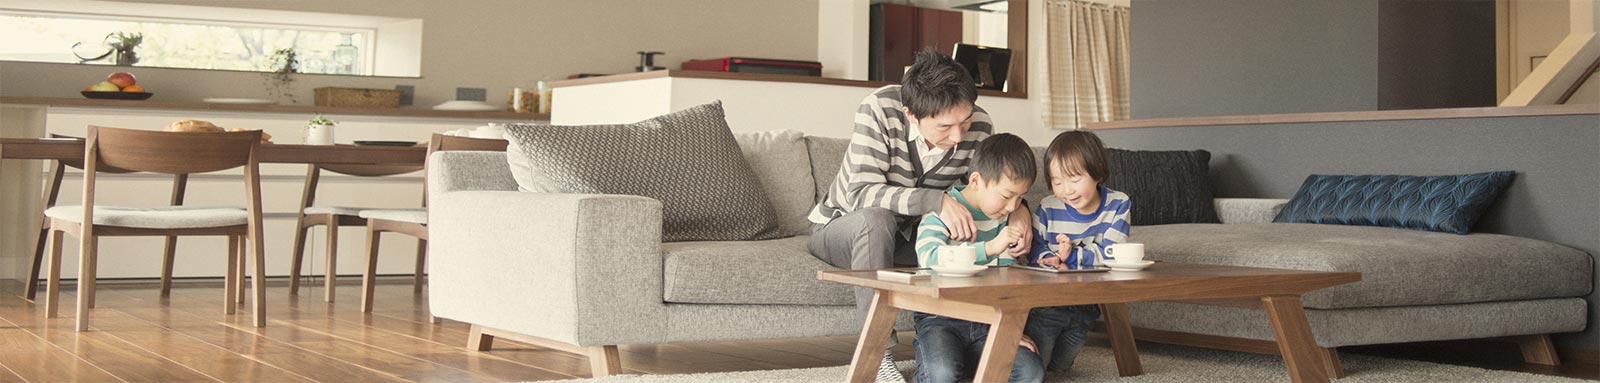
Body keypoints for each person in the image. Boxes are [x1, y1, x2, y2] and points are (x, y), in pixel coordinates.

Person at [806, 49, 1034, 381]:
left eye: (965, 121)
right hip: (843, 226)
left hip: (916, 236)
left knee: (969, 236)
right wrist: (936, 201)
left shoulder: (980, 124)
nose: (958, 136)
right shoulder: (879, 111)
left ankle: (984, 331)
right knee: (876, 220)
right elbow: (860, 193)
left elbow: (982, 191)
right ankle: (879, 353)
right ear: (911, 114)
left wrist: (1020, 213)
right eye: (945, 127)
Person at [911, 133, 1042, 383]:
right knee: (941, 374)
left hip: (990, 320)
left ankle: (973, 363)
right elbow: (929, 258)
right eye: (1006, 196)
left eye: (1020, 197)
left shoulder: (1006, 218)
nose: (1014, 207)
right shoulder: (943, 213)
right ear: (975, 181)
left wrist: (1011, 329)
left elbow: (1008, 281)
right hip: (941, 319)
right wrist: (989, 248)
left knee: (1030, 371)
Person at [1023, 130, 1132, 373]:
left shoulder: (1118, 204)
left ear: (1098, 171)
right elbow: (1035, 246)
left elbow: (1114, 252)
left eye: (1074, 179)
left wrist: (1072, 256)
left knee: (1061, 368)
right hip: (1047, 307)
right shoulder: (1048, 207)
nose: (1067, 191)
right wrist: (1047, 257)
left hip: (1085, 308)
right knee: (1037, 367)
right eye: (1057, 182)